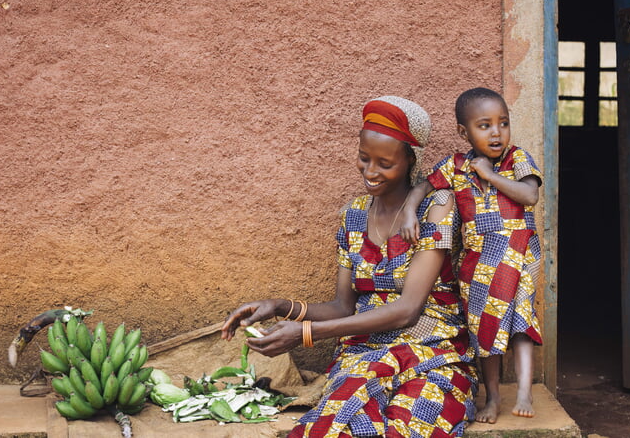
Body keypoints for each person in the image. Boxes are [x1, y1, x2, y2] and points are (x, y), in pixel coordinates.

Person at [221, 96, 477, 437]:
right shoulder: (353, 215)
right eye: (364, 158)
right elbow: (343, 306)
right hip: (362, 354)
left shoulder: (437, 207)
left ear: (410, 160)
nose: (371, 172)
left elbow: (408, 310)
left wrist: (306, 334)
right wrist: (281, 307)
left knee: (411, 425)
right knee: (339, 425)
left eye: (385, 163)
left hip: (431, 354)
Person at [398, 87, 543, 423]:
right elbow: (424, 185)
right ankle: (492, 397)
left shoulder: (516, 159)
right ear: (464, 132)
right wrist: (409, 211)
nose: (497, 132)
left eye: (503, 123)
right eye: (485, 125)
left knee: (521, 324)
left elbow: (530, 195)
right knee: (483, 331)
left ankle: (524, 391)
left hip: (518, 257)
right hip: (478, 265)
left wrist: (490, 174)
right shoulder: (455, 166)